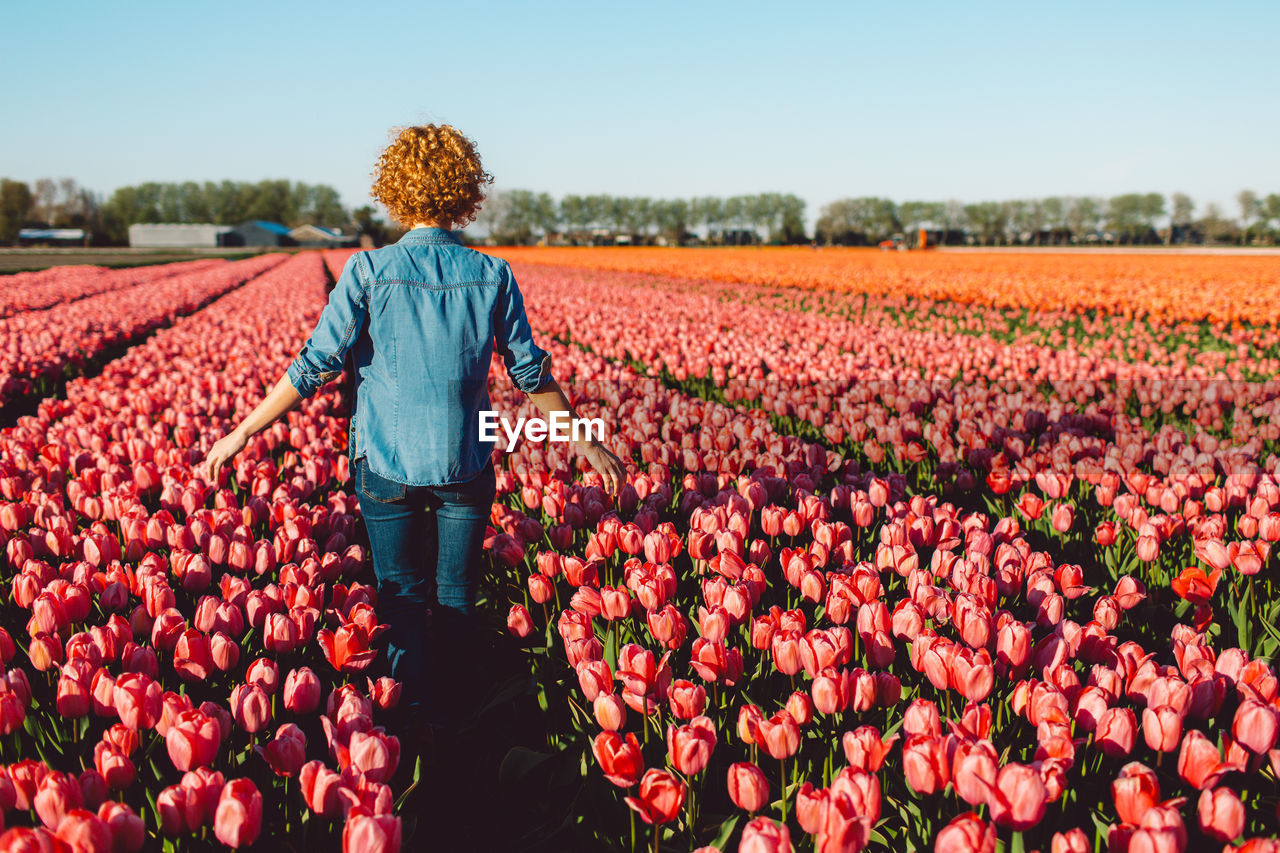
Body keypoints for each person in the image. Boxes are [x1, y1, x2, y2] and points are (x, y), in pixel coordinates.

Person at [202, 123, 626, 739]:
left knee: (400, 595)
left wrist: (242, 432)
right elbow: (530, 372)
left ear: (395, 192)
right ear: (467, 192)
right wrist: (583, 437)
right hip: (466, 462)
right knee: (456, 595)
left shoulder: (370, 271)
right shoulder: (492, 274)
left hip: (386, 463)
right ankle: (461, 723)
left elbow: (314, 365)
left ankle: (409, 720)